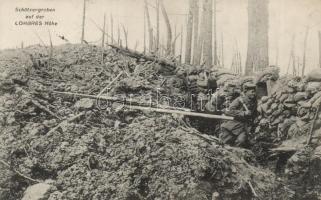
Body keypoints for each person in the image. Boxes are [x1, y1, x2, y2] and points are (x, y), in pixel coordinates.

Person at [219, 82, 257, 147]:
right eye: (252, 92)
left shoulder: (253, 101)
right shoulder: (239, 100)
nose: (254, 93)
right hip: (233, 126)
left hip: (243, 127)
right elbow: (229, 111)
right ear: (246, 91)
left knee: (240, 141)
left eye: (254, 92)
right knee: (223, 143)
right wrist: (243, 113)